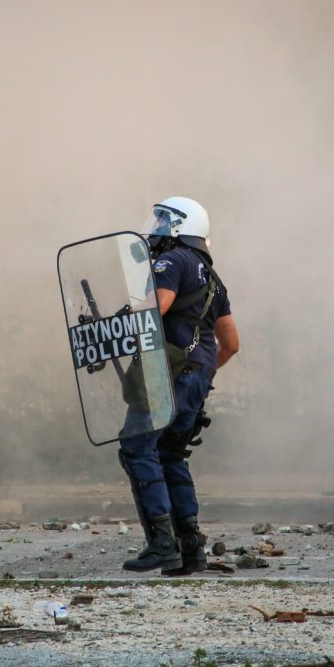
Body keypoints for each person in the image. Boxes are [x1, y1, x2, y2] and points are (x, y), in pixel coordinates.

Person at [119, 196, 240, 575]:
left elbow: (159, 305)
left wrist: (119, 323)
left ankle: (161, 545)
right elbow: (231, 345)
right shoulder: (212, 278)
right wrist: (200, 379)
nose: (153, 225)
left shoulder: (171, 260)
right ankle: (191, 550)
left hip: (167, 372)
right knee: (171, 453)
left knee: (138, 447)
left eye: (161, 219)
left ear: (178, 226)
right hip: (197, 374)